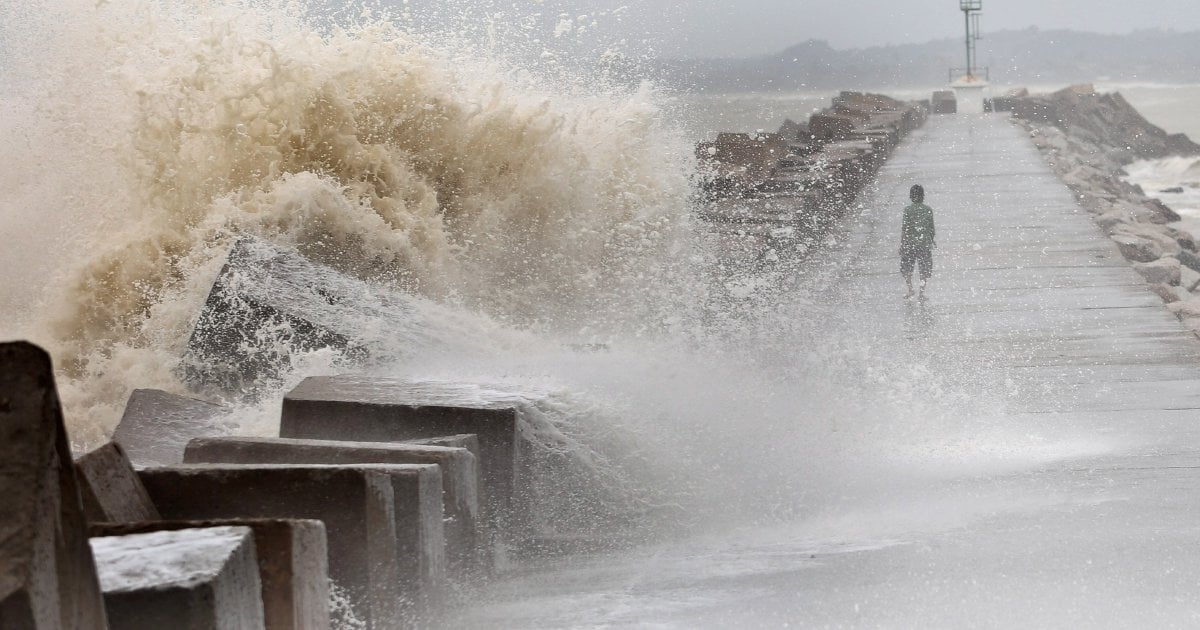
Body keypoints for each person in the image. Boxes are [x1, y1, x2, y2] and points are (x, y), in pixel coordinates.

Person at [900, 184, 936, 299]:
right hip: (924, 244)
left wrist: (902, 243)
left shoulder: (907, 210)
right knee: (924, 269)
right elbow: (931, 228)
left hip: (910, 244)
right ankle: (921, 293)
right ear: (922, 196)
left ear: (911, 196)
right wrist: (931, 239)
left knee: (907, 268)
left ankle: (910, 289)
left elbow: (905, 228)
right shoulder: (928, 210)